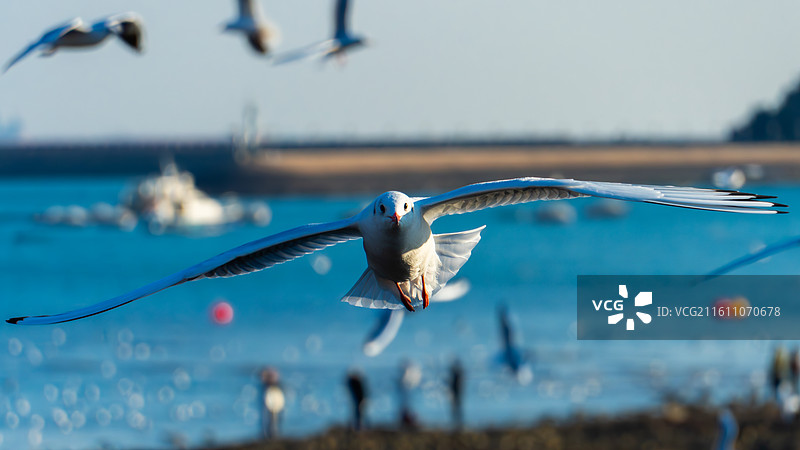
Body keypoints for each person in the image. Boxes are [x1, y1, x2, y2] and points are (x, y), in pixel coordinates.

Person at [259, 367, 284, 439]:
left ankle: (273, 434)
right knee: (270, 419)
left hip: (273, 401)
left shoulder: (272, 388)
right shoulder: (270, 388)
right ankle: (271, 434)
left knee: (273, 419)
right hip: (271, 400)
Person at [448, 358, 464, 430]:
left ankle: (457, 422)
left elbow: (455, 385)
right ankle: (457, 422)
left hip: (456, 393)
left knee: (456, 408)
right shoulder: (459, 375)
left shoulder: (457, 375)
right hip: (457, 393)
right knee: (456, 408)